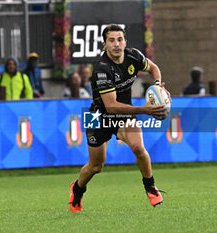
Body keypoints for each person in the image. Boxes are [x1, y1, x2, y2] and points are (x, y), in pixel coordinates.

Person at [69, 24, 170, 213]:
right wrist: (145, 110)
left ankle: (150, 187)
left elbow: (154, 68)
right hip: (98, 116)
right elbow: (111, 106)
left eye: (120, 39)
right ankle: (77, 188)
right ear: (104, 44)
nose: (117, 44)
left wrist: (158, 87)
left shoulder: (133, 55)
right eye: (111, 40)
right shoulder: (102, 68)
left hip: (125, 114)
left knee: (139, 147)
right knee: (96, 166)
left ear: (125, 41)